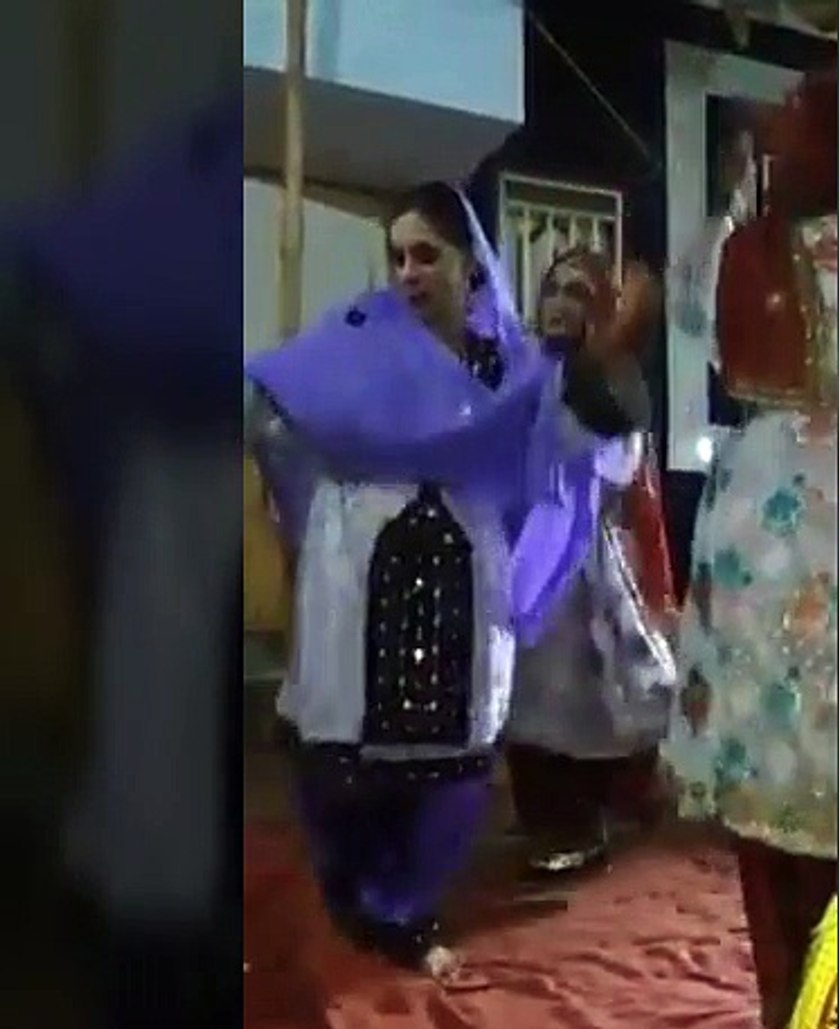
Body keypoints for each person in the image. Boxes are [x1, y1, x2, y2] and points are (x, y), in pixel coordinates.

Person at [245, 182, 654, 983]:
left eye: (426, 255)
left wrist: (606, 365)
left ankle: (406, 905)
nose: (408, 271)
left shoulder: (512, 368)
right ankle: (353, 894)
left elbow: (576, 441)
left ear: (470, 264)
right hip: (362, 560)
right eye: (397, 256)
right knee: (343, 753)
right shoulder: (356, 337)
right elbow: (276, 412)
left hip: (464, 565)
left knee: (455, 759)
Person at [662, 72, 838, 1029]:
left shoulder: (742, 253)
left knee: (773, 826)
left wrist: (732, 206)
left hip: (762, 535)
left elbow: (688, 307)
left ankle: (791, 1022)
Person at [504, 246, 678, 876]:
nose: (559, 303)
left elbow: (621, 470)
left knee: (590, 694)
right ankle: (549, 821)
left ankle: (585, 819)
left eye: (577, 293)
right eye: (553, 289)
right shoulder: (518, 371)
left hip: (584, 565)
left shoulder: (610, 382)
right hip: (522, 561)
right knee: (523, 698)